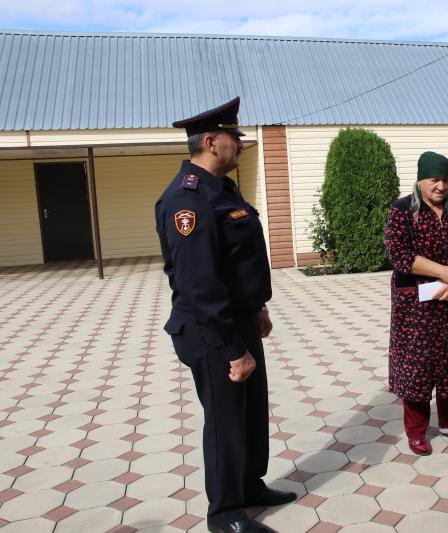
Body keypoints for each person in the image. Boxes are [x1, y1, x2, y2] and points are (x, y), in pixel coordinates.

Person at [155, 97, 295, 533]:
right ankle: (225, 514)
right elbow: (200, 287)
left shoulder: (223, 189)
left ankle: (249, 487)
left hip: (240, 319)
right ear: (213, 142)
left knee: (250, 411)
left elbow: (240, 262)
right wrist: (234, 350)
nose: (241, 144)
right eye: (235, 138)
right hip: (212, 331)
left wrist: (259, 309)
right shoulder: (188, 203)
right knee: (226, 419)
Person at [384, 151, 448, 455]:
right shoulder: (403, 209)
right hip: (417, 304)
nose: (441, 186)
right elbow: (399, 255)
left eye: (445, 179)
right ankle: (416, 431)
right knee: (417, 365)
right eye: (434, 180)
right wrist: (444, 273)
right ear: (419, 180)